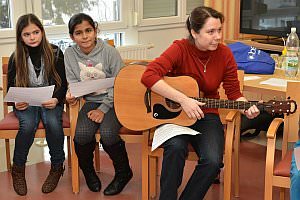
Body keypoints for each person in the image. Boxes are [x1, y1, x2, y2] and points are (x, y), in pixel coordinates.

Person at [141, 6, 260, 200]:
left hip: (207, 115)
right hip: (174, 116)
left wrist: (246, 107)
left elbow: (233, 93)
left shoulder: (225, 54)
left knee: (213, 161)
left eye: (219, 30)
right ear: (194, 32)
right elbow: (148, 75)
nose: (218, 36)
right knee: (176, 148)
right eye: (210, 31)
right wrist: (183, 100)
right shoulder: (179, 48)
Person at [64, 13, 132, 195]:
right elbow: (73, 82)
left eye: (88, 30)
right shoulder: (69, 54)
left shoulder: (109, 52)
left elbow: (121, 82)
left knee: (109, 133)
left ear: (95, 31)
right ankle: (89, 172)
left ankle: (124, 173)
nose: (85, 36)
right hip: (91, 101)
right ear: (72, 37)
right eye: (79, 33)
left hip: (115, 100)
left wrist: (103, 109)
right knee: (82, 134)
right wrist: (72, 96)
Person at [7, 14, 68, 196]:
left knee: (53, 122)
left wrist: (57, 99)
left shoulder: (56, 52)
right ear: (20, 37)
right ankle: (18, 169)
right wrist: (17, 100)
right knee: (27, 126)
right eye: (27, 34)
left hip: (51, 100)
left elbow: (63, 83)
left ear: (42, 32)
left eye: (36, 32)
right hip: (27, 103)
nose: (32, 37)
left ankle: (57, 167)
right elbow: (11, 86)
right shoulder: (15, 57)